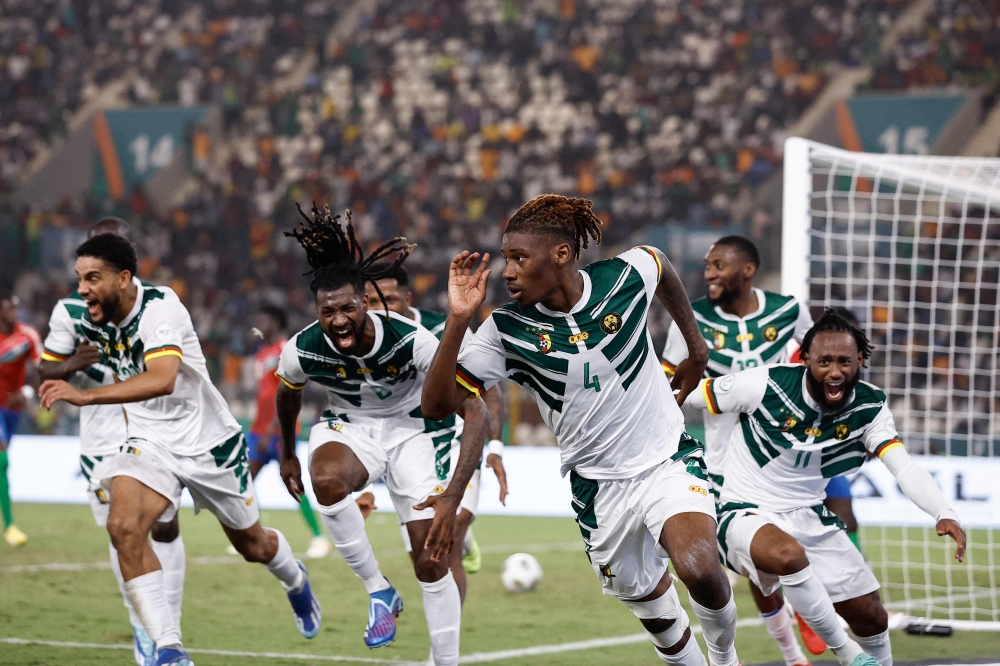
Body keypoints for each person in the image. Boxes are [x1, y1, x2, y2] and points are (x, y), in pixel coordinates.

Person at [421, 194, 740, 666]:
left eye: (518, 258)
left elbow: (662, 265)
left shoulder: (623, 277)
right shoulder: (506, 331)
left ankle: (726, 657)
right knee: (658, 616)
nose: (507, 272)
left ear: (562, 255)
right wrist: (457, 321)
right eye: (506, 259)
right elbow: (436, 406)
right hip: (598, 490)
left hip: (664, 461)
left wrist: (696, 349)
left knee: (700, 568)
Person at [39, 233, 321, 666]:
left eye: (92, 278)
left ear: (124, 278)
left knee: (253, 545)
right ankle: (168, 648)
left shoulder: (160, 307)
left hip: (209, 444)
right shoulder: (100, 315)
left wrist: (86, 397)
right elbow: (52, 362)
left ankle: (294, 579)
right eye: (79, 279)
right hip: (150, 442)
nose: (82, 289)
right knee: (123, 526)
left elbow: (163, 378)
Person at [686, 309, 967, 666]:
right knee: (788, 556)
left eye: (845, 362)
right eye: (825, 362)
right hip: (743, 511)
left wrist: (944, 511)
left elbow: (903, 465)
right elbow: (689, 393)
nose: (835, 372)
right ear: (804, 359)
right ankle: (848, 655)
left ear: (861, 359)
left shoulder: (870, 406)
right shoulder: (763, 383)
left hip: (811, 516)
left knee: (872, 615)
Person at [274, 205, 491, 665]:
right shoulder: (302, 348)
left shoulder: (413, 341)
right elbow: (287, 395)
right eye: (326, 310)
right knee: (327, 482)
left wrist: (454, 493)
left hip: (413, 432)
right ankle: (378, 590)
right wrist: (287, 453)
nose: (337, 320)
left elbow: (477, 412)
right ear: (316, 311)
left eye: (347, 308)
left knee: (431, 561)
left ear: (365, 301)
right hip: (350, 427)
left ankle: (445, 662)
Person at [38, 217, 187, 666]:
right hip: (102, 435)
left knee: (165, 525)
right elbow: (45, 370)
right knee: (123, 531)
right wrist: (69, 366)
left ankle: (168, 630)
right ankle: (144, 627)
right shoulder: (70, 311)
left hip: (157, 430)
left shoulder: (157, 305)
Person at [661, 235, 814, 665]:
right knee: (760, 568)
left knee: (822, 530)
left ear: (747, 270)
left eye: (718, 265)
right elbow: (668, 383)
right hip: (726, 462)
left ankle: (814, 607)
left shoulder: (788, 311)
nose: (707, 273)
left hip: (791, 455)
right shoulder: (690, 319)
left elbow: (822, 359)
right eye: (706, 265)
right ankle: (793, 653)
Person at [364, 265, 510, 587]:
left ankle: (450, 635)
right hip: (408, 452)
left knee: (450, 539)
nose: (381, 309)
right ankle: (465, 543)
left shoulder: (443, 328)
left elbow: (488, 390)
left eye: (389, 299)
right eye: (372, 302)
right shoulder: (362, 343)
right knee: (426, 556)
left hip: (455, 441)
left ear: (408, 298)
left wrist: (495, 448)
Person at [246, 304, 331, 559]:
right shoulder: (262, 353)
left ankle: (319, 537)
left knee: (293, 482)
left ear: (276, 322)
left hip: (279, 430)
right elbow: (264, 393)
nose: (259, 323)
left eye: (264, 319)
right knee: (245, 484)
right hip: (257, 430)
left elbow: (289, 392)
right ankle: (254, 536)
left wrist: (273, 429)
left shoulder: (285, 349)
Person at [0, 287, 41, 548]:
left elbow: (43, 368)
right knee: (2, 458)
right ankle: (10, 526)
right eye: (8, 308)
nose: (13, 312)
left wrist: (27, 393)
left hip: (12, 409)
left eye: (15, 307)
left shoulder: (27, 336)